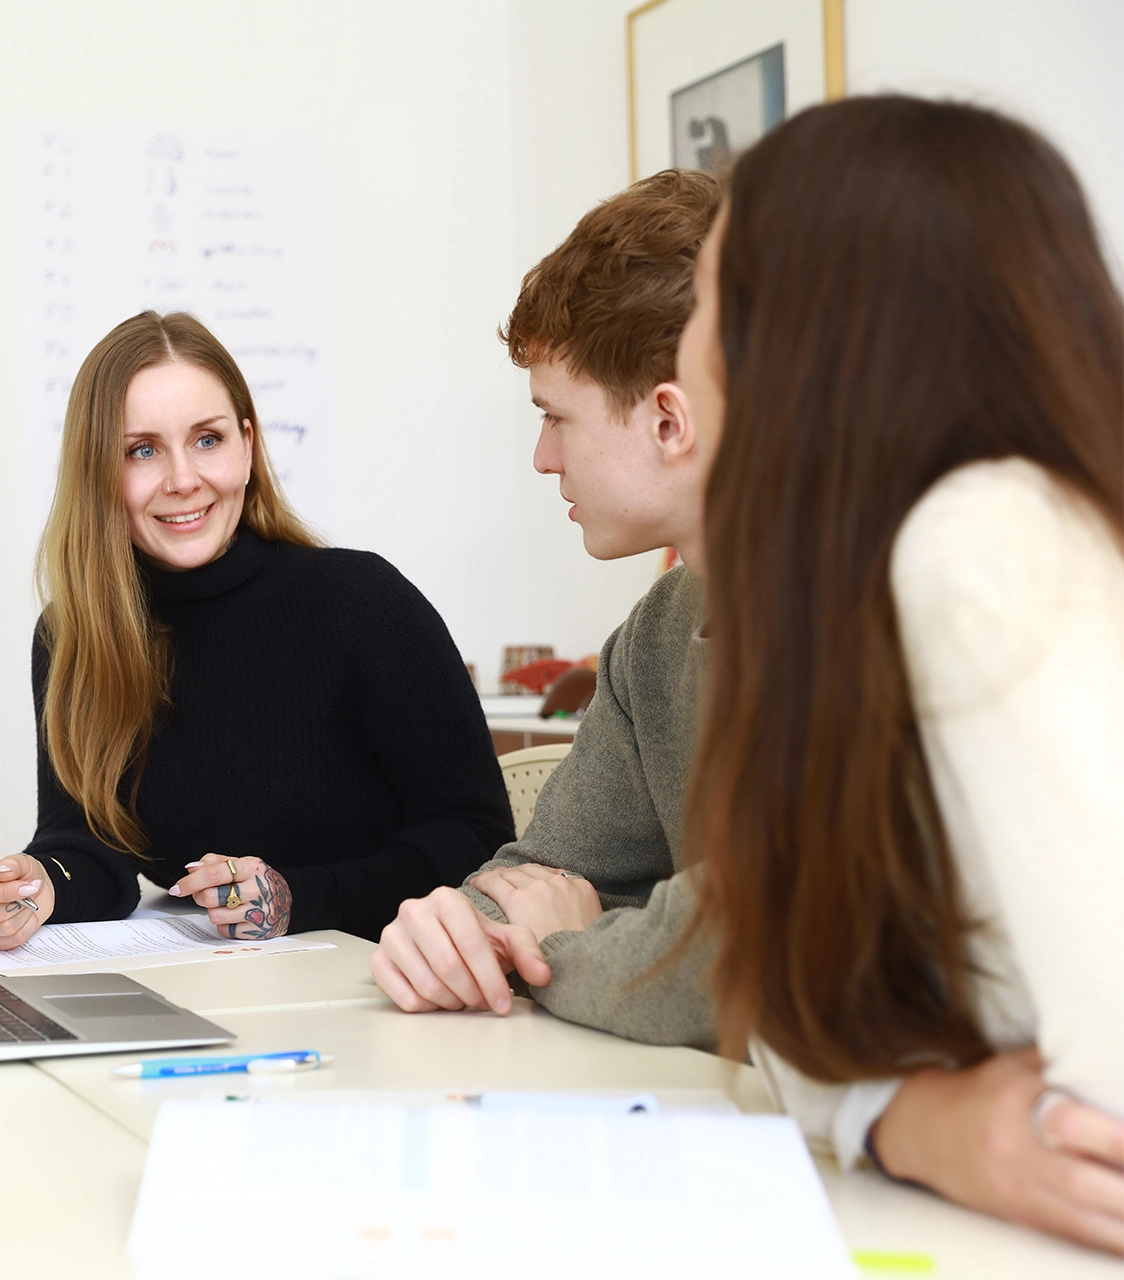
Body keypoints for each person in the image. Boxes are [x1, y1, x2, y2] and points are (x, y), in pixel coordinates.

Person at [683, 97, 1124, 1253]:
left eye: (709, 299)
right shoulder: (878, 597)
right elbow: (797, 1019)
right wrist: (912, 1115)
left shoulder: (985, 543)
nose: (690, 351)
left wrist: (920, 1112)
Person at [0, 311, 513, 948]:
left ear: (248, 446)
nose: (183, 478)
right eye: (142, 450)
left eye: (208, 440)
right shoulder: (74, 634)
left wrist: (295, 899)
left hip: (383, 976)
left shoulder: (360, 602)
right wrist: (40, 884)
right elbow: (90, 846)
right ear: (99, 473)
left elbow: (476, 833)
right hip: (220, 987)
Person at [370, 169, 722, 1038]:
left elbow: (726, 959)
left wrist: (568, 949)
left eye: (557, 417)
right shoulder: (656, 635)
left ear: (668, 423)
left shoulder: (865, 621)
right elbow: (535, 873)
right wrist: (453, 931)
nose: (540, 457)